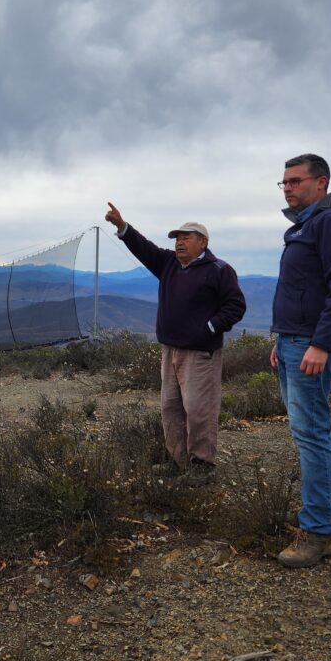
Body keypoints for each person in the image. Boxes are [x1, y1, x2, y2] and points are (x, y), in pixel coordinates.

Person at [105, 203, 246, 483]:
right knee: (171, 407)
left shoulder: (219, 270)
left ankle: (202, 465)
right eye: (177, 238)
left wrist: (209, 327)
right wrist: (122, 226)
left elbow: (236, 306)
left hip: (200, 353)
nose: (180, 242)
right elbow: (144, 248)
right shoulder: (169, 263)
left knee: (198, 408)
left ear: (203, 242)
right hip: (170, 349)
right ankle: (178, 460)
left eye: (186, 237)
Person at [269, 153, 331, 568]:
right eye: (283, 182)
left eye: (295, 181)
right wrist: (283, 339)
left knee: (312, 434)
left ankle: (320, 532)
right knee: (309, 432)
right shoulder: (309, 225)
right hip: (297, 342)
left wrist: (321, 343)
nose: (287, 187)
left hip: (314, 345)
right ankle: (329, 516)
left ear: (320, 182)